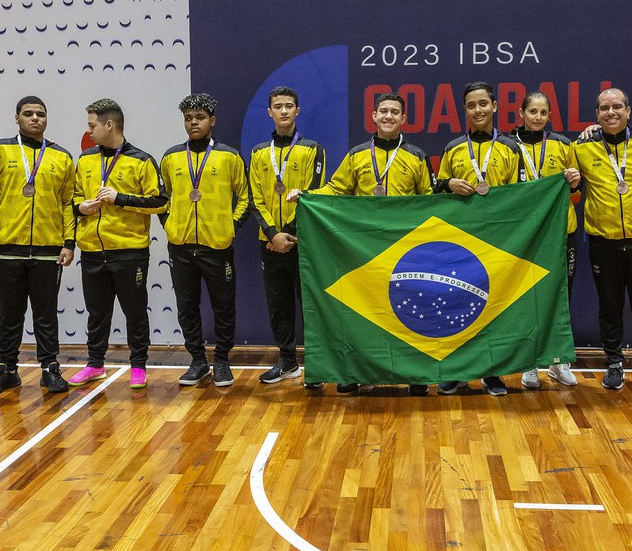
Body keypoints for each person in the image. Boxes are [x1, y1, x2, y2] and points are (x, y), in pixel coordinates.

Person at [288, 92, 437, 395]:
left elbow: (430, 202)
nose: (388, 117)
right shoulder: (357, 154)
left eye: (395, 112)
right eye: (383, 111)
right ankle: (352, 371)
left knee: (407, 312)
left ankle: (416, 375)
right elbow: (336, 188)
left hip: (404, 251)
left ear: (404, 118)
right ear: (373, 116)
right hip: (363, 251)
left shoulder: (417, 156)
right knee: (362, 313)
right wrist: (306, 195)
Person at [0, 96, 75, 396]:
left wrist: (69, 242)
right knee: (10, 313)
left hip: (49, 248)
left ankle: (50, 369)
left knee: (46, 314)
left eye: (41, 114)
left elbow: (68, 202)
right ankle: (7, 369)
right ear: (17, 118)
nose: (35, 119)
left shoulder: (61, 156)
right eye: (28, 114)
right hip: (8, 247)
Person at [69, 99, 167, 389]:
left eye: (92, 125)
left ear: (108, 125)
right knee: (97, 312)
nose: (89, 131)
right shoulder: (85, 159)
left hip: (129, 252)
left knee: (135, 311)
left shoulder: (142, 160)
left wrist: (120, 198)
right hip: (91, 250)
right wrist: (80, 207)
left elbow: (159, 202)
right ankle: (95, 364)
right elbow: (72, 196)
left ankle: (138, 366)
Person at [435, 82, 524, 396]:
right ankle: (458, 372)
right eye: (471, 105)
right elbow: (436, 189)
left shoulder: (512, 148)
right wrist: (448, 182)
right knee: (459, 306)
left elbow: (523, 195)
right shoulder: (453, 147)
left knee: (495, 307)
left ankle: (492, 372)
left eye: (483, 103)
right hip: (461, 243)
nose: (478, 110)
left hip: (500, 241)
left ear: (495, 106)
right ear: (465, 110)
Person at [574, 89, 632, 393]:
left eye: (616, 107)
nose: (610, 112)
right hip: (604, 243)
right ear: (596, 115)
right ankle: (613, 363)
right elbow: (569, 182)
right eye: (604, 108)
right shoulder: (582, 147)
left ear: (628, 110)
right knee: (609, 307)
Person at [161, 93, 250, 389]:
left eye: (199, 117)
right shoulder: (172, 156)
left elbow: (246, 198)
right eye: (188, 118)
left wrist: (231, 226)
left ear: (212, 121)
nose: (193, 123)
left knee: (223, 306)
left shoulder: (229, 155)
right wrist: (170, 225)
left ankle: (222, 361)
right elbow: (164, 199)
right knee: (187, 306)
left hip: (217, 245)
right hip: (181, 247)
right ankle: (197, 361)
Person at [248, 87, 326, 387]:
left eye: (289, 106)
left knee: (309, 304)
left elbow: (314, 192)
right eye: (277, 106)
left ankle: (316, 368)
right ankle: (287, 362)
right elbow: (254, 197)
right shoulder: (258, 152)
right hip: (268, 240)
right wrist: (272, 234)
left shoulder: (313, 149)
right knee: (278, 303)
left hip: (302, 240)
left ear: (297, 111)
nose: (283, 111)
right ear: (269, 112)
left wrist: (288, 234)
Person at [511, 91, 581, 390]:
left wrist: (575, 180)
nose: (537, 117)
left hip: (561, 233)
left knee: (558, 297)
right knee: (526, 299)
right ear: (521, 113)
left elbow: (576, 191)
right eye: (532, 112)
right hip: (523, 236)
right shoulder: (507, 146)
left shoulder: (563, 145)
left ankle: (557, 360)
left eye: (543, 113)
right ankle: (529, 363)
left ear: (549, 116)